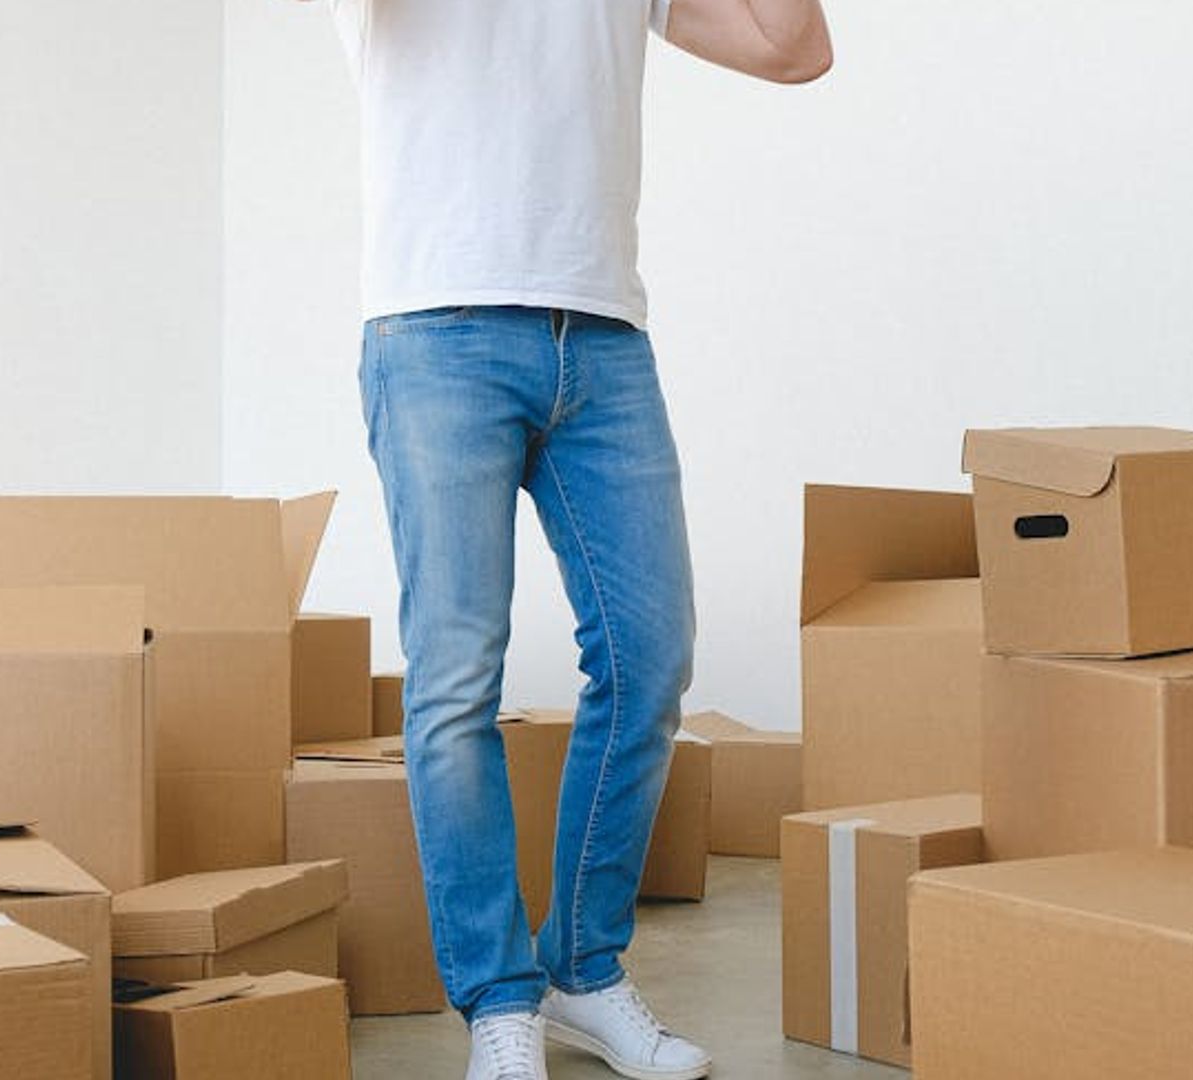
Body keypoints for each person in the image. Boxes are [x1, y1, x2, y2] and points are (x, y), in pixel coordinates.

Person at [318, 0, 831, 1076]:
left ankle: (581, 972)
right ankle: (499, 1001)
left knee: (649, 661)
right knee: (456, 682)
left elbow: (794, 47)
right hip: (435, 327)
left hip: (600, 334)